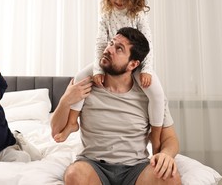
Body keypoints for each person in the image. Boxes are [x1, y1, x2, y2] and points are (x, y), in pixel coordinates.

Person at [53, 0, 164, 154]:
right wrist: (98, 70)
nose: (119, 2)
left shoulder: (138, 15)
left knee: (157, 94)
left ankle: (156, 136)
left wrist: (147, 69)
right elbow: (100, 44)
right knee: (80, 77)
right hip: (107, 61)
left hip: (132, 63)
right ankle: (72, 123)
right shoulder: (106, 15)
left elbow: (148, 43)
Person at [51, 27, 181, 185]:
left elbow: (170, 139)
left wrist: (166, 154)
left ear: (133, 64)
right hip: (94, 165)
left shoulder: (151, 96)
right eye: (111, 43)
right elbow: (56, 130)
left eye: (119, 49)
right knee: (74, 175)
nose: (109, 49)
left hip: (136, 168)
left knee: (170, 178)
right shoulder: (84, 85)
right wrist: (65, 99)